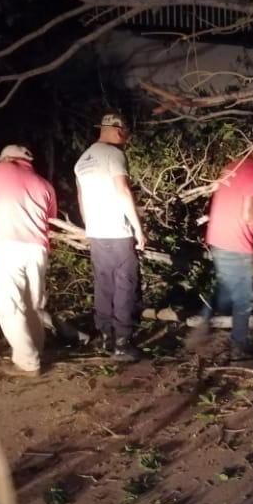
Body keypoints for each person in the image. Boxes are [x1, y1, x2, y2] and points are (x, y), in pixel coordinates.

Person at [0, 144, 57, 376]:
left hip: (8, 247)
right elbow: (50, 220)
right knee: (33, 303)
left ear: (6, 158)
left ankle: (28, 362)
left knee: (9, 305)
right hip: (38, 250)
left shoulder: (0, 169)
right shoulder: (44, 184)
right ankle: (37, 351)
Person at [198, 143, 253, 360]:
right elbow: (249, 216)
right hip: (236, 241)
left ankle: (202, 325)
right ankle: (238, 346)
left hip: (218, 236)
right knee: (244, 296)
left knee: (227, 288)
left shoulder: (233, 165)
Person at [74, 113, 146, 361]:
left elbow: (81, 200)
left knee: (103, 285)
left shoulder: (82, 160)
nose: (125, 137)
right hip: (117, 232)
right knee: (125, 286)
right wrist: (138, 228)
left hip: (96, 232)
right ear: (116, 130)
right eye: (124, 131)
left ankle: (105, 337)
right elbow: (123, 190)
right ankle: (122, 343)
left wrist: (90, 226)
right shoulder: (114, 155)